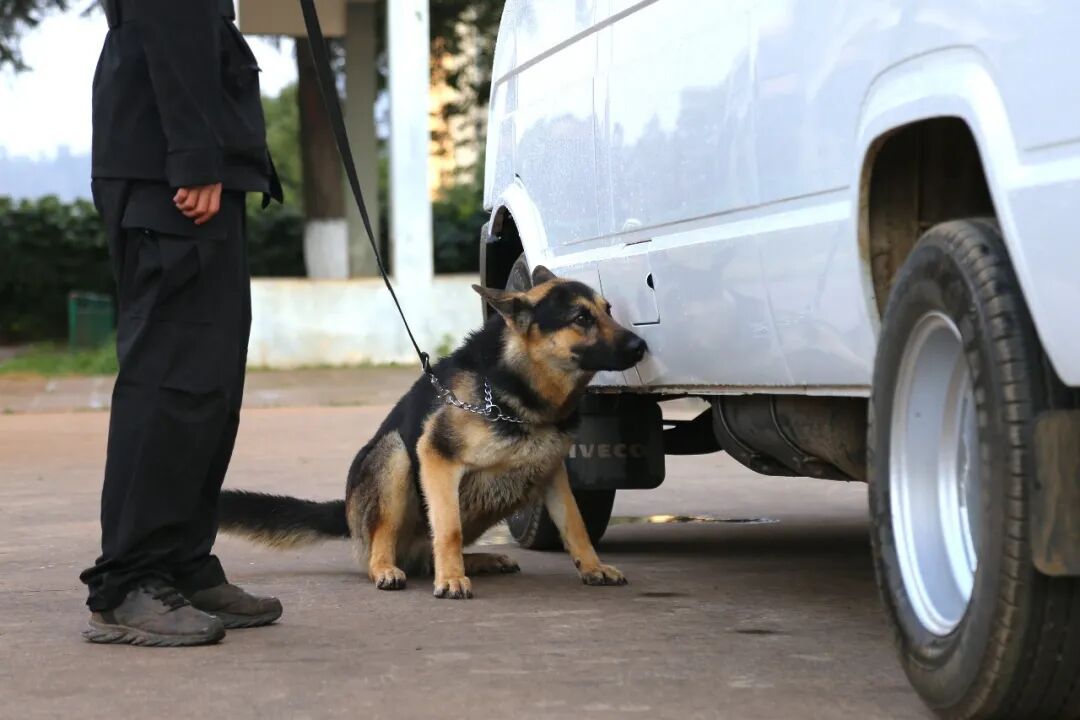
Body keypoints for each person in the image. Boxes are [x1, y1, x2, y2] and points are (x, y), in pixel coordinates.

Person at [79, 0, 285, 647]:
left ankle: (180, 564)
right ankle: (128, 581)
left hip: (186, 154)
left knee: (209, 380)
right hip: (167, 165)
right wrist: (194, 155)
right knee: (170, 376)